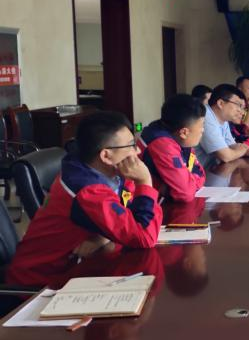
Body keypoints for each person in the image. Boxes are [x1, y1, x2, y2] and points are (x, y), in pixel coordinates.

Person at [7, 111, 164, 287]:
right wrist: (145, 181)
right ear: (106, 156)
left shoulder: (101, 170)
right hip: (40, 285)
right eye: (131, 145)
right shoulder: (88, 190)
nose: (138, 151)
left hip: (77, 270)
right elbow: (144, 237)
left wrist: (103, 236)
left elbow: (128, 211)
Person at [139, 94, 207, 202]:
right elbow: (186, 193)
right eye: (202, 125)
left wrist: (190, 181)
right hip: (149, 205)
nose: (203, 130)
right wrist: (189, 181)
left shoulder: (180, 138)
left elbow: (200, 172)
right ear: (184, 132)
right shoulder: (163, 144)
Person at [195, 83, 249, 164]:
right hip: (199, 171)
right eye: (239, 105)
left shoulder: (223, 119)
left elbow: (232, 146)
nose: (242, 112)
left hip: (212, 168)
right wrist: (244, 148)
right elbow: (226, 156)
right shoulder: (206, 116)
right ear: (221, 103)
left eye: (243, 108)